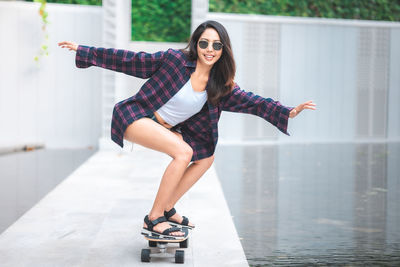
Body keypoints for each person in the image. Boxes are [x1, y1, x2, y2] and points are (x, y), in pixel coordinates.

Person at [58, 20, 316, 238]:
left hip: (167, 129)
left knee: (205, 157)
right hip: (138, 117)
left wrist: (287, 111)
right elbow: (131, 60)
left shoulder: (221, 84)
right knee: (182, 153)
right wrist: (86, 51)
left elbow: (253, 102)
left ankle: (168, 208)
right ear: (196, 44)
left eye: (216, 45)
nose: (209, 49)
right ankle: (153, 217)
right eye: (204, 43)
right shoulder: (174, 60)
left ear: (223, 50)